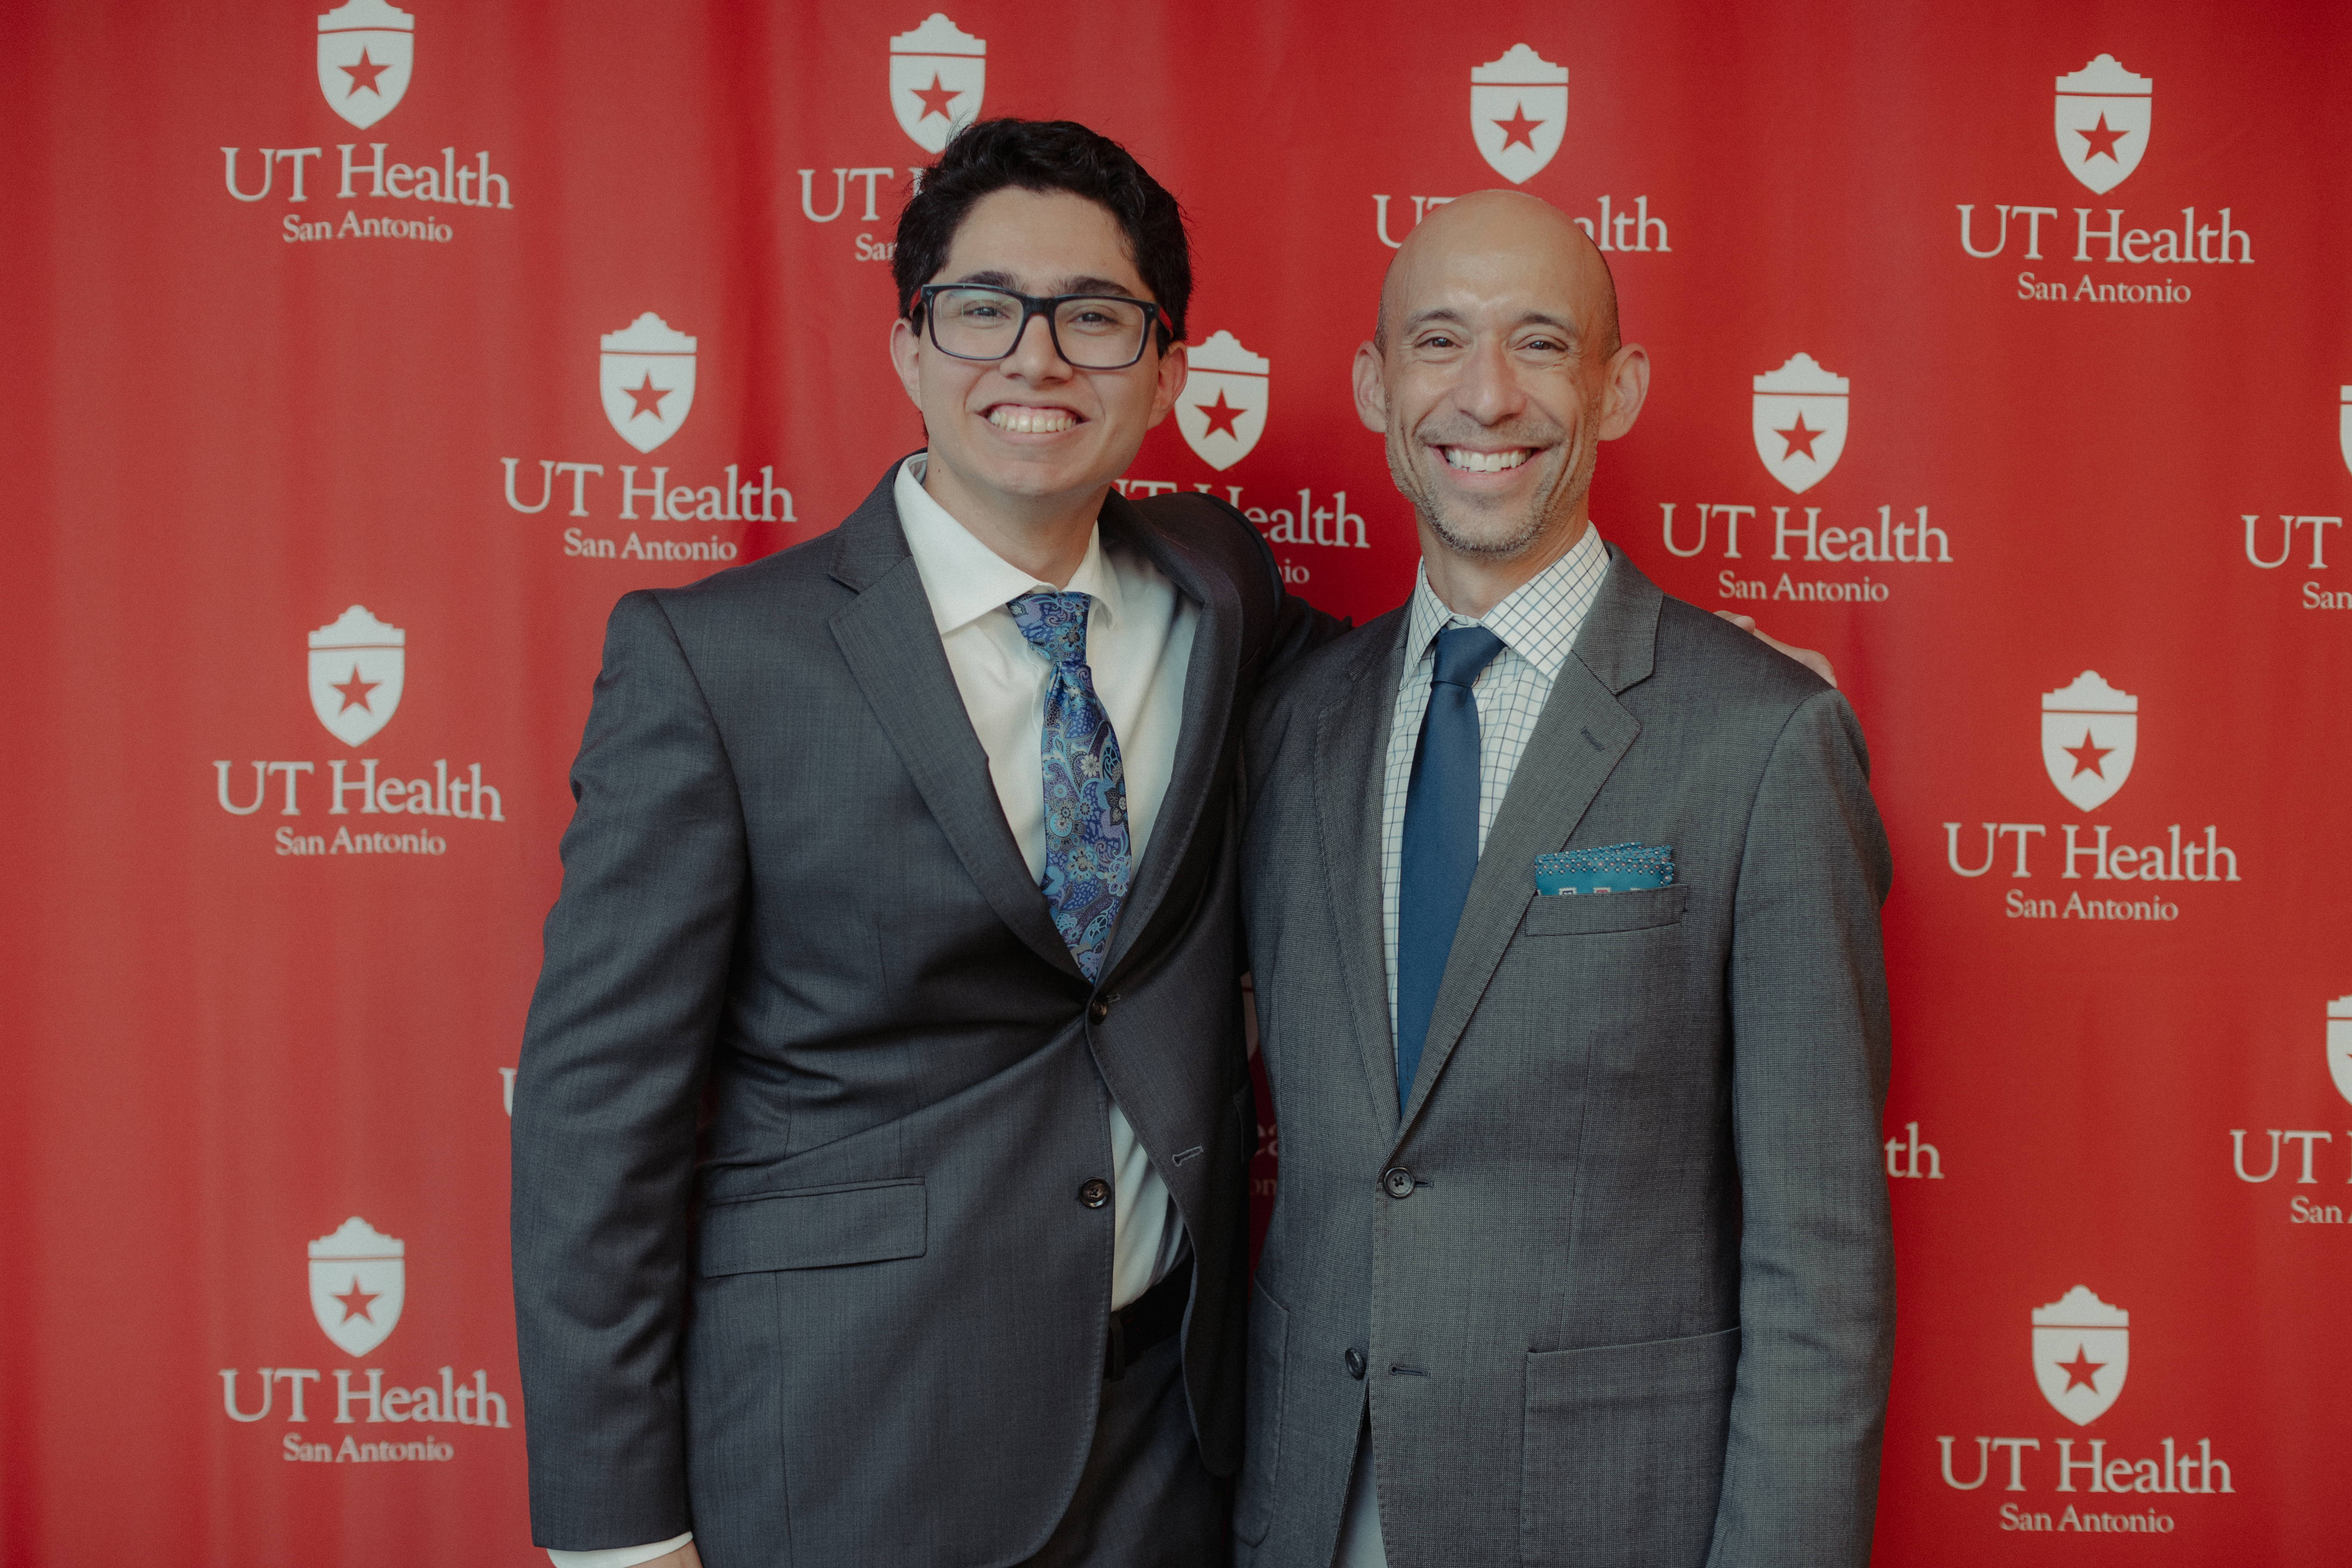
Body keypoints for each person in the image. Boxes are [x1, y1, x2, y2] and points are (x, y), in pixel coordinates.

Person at [510, 119, 1336, 1568]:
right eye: (982, 310)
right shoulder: (714, 664)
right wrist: (618, 1536)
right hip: (849, 1441)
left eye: (1094, 316)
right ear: (909, 351)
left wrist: (1685, 668)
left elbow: (1396, 684)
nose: (1036, 358)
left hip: (1169, 1446)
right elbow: (595, 1120)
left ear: (1167, 368)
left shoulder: (1223, 586)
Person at [1233, 190, 1896, 1568]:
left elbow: (1819, 1261)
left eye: (1542, 343)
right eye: (1439, 342)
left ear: (1619, 385)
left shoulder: (1763, 738)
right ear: (1373, 385)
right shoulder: (1295, 721)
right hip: (1301, 1504)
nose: (1488, 394)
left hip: (1608, 1519)